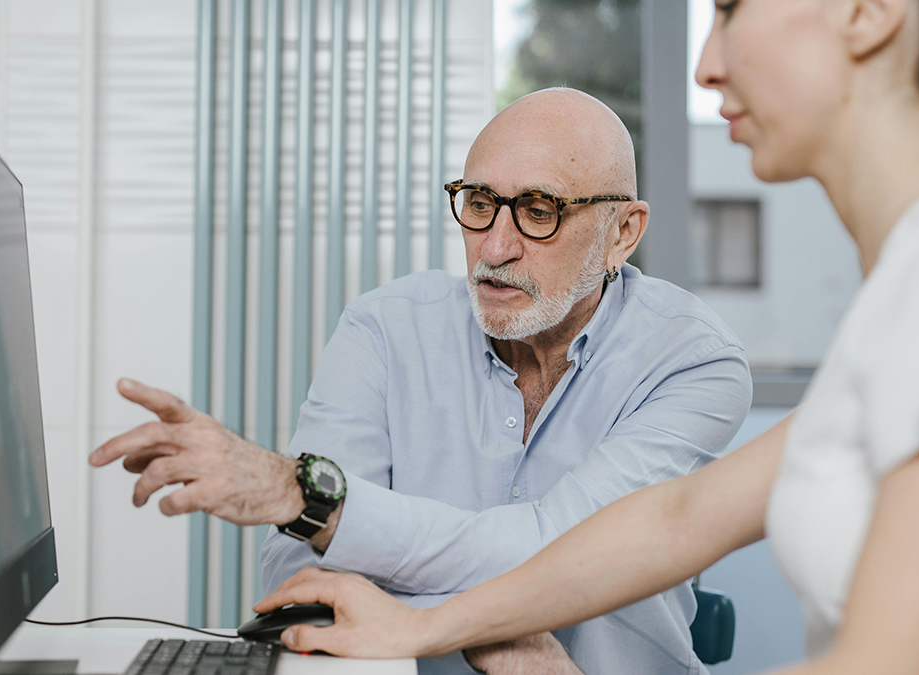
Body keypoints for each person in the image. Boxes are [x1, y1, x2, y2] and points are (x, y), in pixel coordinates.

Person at [254, 0, 919, 673]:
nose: (705, 65)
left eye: (732, 7)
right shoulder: (917, 284)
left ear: (869, 11)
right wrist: (428, 628)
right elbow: (675, 520)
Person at [90, 89, 753, 674]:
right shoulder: (383, 328)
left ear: (622, 233)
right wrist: (500, 633)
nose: (494, 247)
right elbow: (299, 570)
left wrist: (309, 497)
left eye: (540, 210)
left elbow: (561, 553)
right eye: (480, 201)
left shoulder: (692, 362)